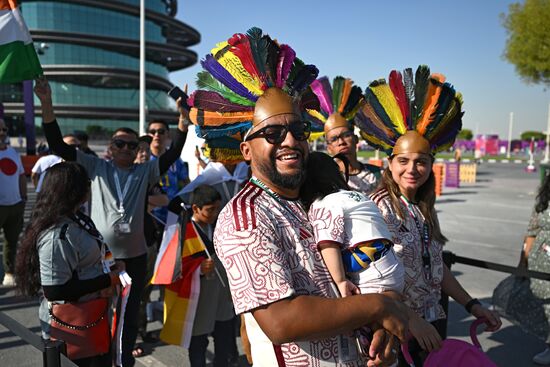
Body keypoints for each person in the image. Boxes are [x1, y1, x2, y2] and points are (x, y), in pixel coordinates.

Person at [187, 28, 408, 366]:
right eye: (273, 133)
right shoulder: (245, 217)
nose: (289, 140)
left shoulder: (319, 200)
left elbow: (369, 266)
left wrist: (382, 325)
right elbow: (282, 321)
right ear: (246, 149)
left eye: (298, 130)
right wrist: (379, 307)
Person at [34, 76, 190, 367]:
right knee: (99, 312)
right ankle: (102, 358)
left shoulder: (146, 171)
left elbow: (173, 154)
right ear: (111, 146)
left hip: (135, 256)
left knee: (129, 316)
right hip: (102, 258)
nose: (127, 149)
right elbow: (57, 144)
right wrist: (46, 102)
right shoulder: (97, 166)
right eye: (120, 143)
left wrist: (183, 120)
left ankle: (124, 359)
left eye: (132, 145)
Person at [357, 66, 502, 366]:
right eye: (404, 161)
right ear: (389, 162)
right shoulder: (376, 207)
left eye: (421, 162)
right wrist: (410, 321)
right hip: (394, 332)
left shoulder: (424, 206)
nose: (412, 169)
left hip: (432, 325)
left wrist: (473, 305)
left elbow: (437, 268)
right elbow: (367, 282)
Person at [15, 162, 124, 367]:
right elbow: (56, 290)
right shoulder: (56, 235)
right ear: (76, 191)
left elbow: (97, 248)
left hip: (93, 317)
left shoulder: (77, 218)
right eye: (87, 183)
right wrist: (107, 279)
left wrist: (112, 266)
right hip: (73, 328)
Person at [301, 152, 403, 299]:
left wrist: (341, 281)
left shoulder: (324, 203)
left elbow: (329, 245)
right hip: (393, 267)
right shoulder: (357, 196)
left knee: (374, 318)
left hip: (372, 276)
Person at [186, 184, 235, 367]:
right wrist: (198, 268)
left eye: (217, 209)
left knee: (224, 335)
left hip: (222, 290)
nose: (215, 213)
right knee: (198, 340)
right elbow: (177, 267)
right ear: (195, 208)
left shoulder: (219, 225)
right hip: (200, 293)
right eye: (209, 210)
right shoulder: (184, 231)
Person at [310, 76, 381, 195]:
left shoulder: (377, 174)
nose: (341, 142)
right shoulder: (324, 180)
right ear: (329, 148)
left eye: (346, 135)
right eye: (334, 139)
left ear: (355, 139)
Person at [134, 135, 168, 351]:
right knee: (126, 296)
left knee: (144, 294)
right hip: (123, 248)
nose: (144, 153)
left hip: (148, 243)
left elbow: (163, 199)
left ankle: (142, 331)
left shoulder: (150, 178)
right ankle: (130, 337)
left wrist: (140, 201)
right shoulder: (119, 176)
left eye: (146, 150)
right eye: (140, 150)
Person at [518, 171, 550, 365]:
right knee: (546, 306)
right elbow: (531, 233)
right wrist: (523, 263)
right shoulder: (545, 200)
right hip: (541, 264)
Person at [0, 116, 26, 287]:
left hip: (15, 205)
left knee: (12, 241)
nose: (2, 133)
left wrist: (23, 198)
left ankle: (9, 274)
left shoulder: (13, 152)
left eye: (4, 130)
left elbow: (21, 175)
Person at [148, 119, 190, 224]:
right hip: (151, 215)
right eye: (153, 132)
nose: (157, 135)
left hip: (172, 215)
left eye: (161, 132)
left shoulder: (176, 160)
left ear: (167, 134)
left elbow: (185, 183)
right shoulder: (144, 160)